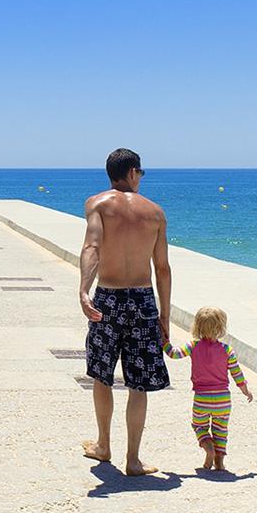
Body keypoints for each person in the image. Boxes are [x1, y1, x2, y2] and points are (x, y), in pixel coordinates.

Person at [79, 148, 173, 476]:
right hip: (143, 301)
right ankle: (133, 459)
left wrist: (84, 290)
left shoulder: (97, 204)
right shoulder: (155, 213)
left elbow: (92, 246)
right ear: (132, 172)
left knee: (102, 375)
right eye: (140, 173)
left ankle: (103, 445)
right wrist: (164, 315)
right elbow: (162, 268)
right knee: (139, 384)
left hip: (108, 298)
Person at [174, 306, 253, 472]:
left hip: (202, 398)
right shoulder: (227, 350)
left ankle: (208, 446)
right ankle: (219, 461)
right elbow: (237, 373)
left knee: (199, 426)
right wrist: (245, 390)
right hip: (223, 400)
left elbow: (174, 354)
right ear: (221, 328)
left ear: (197, 326)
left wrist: (164, 341)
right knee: (221, 430)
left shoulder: (193, 346)